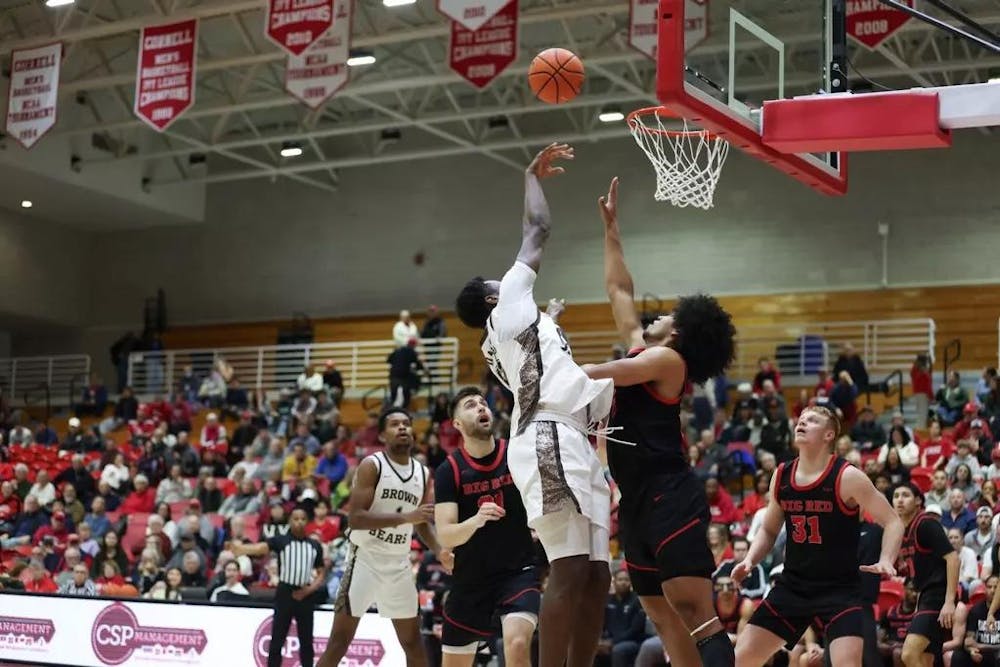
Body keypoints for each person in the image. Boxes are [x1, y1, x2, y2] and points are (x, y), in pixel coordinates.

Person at [454, 143, 615, 667]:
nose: (510, 276)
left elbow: (542, 357)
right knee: (568, 569)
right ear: (491, 299)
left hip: (570, 435)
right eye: (500, 282)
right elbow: (538, 230)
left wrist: (551, 316)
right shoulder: (506, 308)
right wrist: (530, 176)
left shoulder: (516, 326)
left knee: (597, 574)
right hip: (547, 437)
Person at [580, 177, 737, 666]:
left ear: (682, 332)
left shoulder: (669, 363)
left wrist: (563, 374)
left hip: (670, 492)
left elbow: (607, 373)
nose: (657, 314)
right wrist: (611, 230)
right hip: (636, 499)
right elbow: (618, 288)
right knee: (658, 609)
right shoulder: (645, 348)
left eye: (669, 314)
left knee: (693, 608)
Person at [731, 406, 903, 666]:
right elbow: (768, 529)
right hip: (793, 586)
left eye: (812, 421)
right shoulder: (781, 475)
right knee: (740, 659)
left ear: (829, 435)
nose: (802, 423)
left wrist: (887, 558)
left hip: (840, 590)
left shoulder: (848, 476)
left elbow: (892, 521)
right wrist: (750, 560)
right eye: (800, 420)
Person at [317, 408, 451, 667]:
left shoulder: (422, 473)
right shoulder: (372, 465)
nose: (402, 428)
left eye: (406, 423)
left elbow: (420, 520)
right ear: (381, 435)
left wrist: (438, 549)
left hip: (398, 566)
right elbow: (355, 518)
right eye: (394, 424)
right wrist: (405, 518)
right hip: (365, 561)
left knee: (414, 644)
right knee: (339, 643)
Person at [434, 387, 540, 667]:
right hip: (471, 581)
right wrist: (476, 520)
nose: (481, 408)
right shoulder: (449, 470)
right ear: (456, 424)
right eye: (471, 405)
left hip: (517, 572)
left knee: (516, 643)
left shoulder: (514, 452)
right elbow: (445, 534)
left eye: (483, 403)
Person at [230, 506, 327, 667]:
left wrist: (308, 590)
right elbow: (261, 548)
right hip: (285, 593)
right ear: (290, 521)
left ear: (308, 522)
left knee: (307, 642)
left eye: (303, 519)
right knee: (277, 639)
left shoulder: (314, 545)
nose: (299, 522)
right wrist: (241, 549)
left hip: (306, 594)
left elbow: (322, 572)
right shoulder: (281, 540)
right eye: (296, 519)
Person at [892, 482, 959, 666]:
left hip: (938, 596)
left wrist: (949, 601)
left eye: (905, 495)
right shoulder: (901, 531)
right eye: (896, 496)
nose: (899, 500)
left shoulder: (926, 524)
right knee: (925, 659)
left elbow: (953, 559)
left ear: (918, 501)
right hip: (925, 597)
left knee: (908, 654)